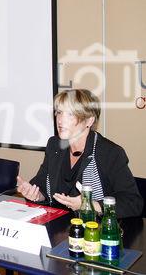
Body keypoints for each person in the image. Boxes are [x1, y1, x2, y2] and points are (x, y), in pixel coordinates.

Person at [17, 89, 142, 218]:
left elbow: (132, 202)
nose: (60, 120)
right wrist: (36, 194)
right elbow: (42, 184)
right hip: (60, 227)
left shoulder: (109, 153)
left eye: (70, 114)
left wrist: (90, 205)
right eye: (59, 112)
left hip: (96, 229)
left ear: (89, 121)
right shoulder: (54, 145)